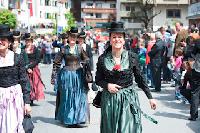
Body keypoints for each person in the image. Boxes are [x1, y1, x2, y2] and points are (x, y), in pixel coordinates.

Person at [95, 22, 157, 133]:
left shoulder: (132, 57)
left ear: (124, 40)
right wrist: (107, 85)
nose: (117, 39)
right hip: (110, 101)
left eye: (120, 37)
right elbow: (98, 80)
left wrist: (150, 97)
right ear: (110, 39)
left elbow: (140, 78)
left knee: (127, 129)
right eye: (114, 37)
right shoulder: (102, 59)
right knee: (111, 129)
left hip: (128, 100)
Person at [52, 27, 90, 126]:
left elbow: (86, 59)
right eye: (71, 36)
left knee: (78, 96)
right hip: (67, 75)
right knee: (67, 96)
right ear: (68, 37)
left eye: (75, 36)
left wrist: (85, 63)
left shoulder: (80, 48)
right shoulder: (63, 49)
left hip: (78, 75)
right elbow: (56, 63)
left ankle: (78, 119)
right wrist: (54, 76)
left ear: (77, 38)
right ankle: (69, 119)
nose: (73, 38)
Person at [0, 24, 31, 132]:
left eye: (3, 39)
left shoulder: (17, 58)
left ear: (9, 42)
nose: (0, 42)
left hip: (14, 100)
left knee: (12, 127)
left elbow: (24, 80)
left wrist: (27, 102)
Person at [24, 33, 45, 105]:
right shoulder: (22, 49)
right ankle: (27, 98)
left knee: (34, 84)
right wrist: (26, 67)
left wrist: (30, 67)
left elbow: (38, 60)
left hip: (34, 68)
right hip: (25, 68)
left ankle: (32, 98)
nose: (27, 42)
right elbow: (21, 59)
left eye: (29, 41)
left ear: (31, 41)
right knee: (27, 84)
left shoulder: (36, 49)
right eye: (26, 41)